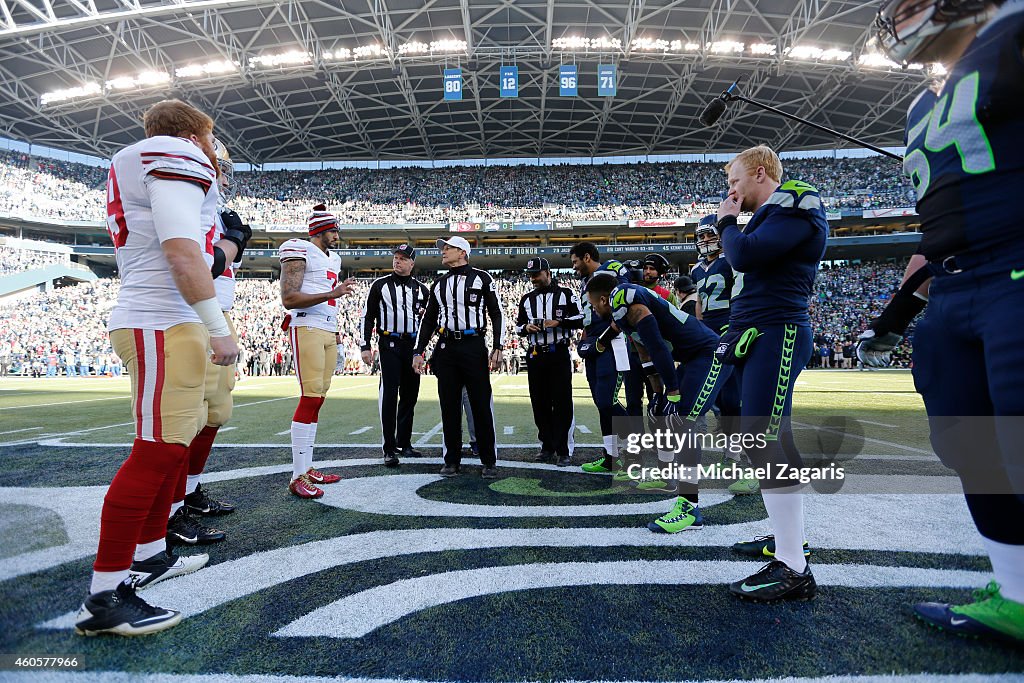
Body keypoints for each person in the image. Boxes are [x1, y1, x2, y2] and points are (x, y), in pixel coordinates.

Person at [857, 0, 1024, 643]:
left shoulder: (1013, 34)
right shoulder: (920, 106)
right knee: (968, 445)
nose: (897, 20)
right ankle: (1016, 591)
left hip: (1016, 268)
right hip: (955, 289)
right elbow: (937, 227)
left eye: (906, 6)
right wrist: (896, 314)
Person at [74, 99, 239, 637]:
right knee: (159, 448)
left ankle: (147, 553)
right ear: (198, 132)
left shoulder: (146, 158)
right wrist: (218, 324)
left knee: (175, 439)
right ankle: (104, 596)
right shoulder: (174, 151)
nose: (215, 152)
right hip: (160, 319)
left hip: (164, 317)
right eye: (212, 140)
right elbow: (181, 251)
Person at [715, 145, 827, 602]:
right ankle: (787, 543)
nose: (732, 191)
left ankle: (794, 566)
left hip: (778, 330)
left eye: (735, 182)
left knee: (765, 439)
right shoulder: (772, 214)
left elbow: (742, 256)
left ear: (760, 173)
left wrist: (725, 221)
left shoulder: (796, 198)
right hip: (760, 332)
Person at [159, 140, 251, 553]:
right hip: (190, 313)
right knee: (187, 417)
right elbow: (201, 260)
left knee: (216, 410)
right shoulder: (185, 201)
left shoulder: (211, 208)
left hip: (216, 311)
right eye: (220, 166)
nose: (224, 176)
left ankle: (189, 491)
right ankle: (170, 509)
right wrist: (233, 242)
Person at [586, 274, 731, 533]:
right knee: (665, 415)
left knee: (687, 420)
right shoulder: (621, 312)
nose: (594, 309)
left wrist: (673, 391)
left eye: (595, 304)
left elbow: (656, 345)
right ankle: (673, 484)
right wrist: (657, 394)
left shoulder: (627, 300)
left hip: (708, 354)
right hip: (691, 358)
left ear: (606, 299)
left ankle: (689, 507)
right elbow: (645, 353)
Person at [279, 203, 357, 499]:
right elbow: (289, 298)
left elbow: (329, 299)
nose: (338, 234)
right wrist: (332, 293)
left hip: (326, 328)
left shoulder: (333, 259)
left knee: (319, 399)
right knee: (309, 397)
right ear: (321, 230)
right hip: (306, 326)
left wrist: (336, 331)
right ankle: (297, 475)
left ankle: (307, 466)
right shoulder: (298, 248)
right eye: (334, 229)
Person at [413, 236, 505, 479]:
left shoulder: (483, 278)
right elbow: (429, 320)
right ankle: (452, 459)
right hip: (446, 348)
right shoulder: (439, 284)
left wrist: (498, 345)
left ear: (462, 252)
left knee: (481, 405)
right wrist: (418, 350)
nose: (443, 251)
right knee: (449, 406)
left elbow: (496, 312)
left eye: (448, 248)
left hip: (474, 344)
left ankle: (489, 460)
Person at [568, 243, 654, 486]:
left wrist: (607, 336)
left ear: (587, 257)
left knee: (608, 400)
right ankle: (610, 457)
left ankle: (634, 457)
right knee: (601, 404)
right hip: (594, 347)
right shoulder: (587, 282)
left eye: (576, 261)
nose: (574, 267)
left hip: (611, 345)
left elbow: (629, 304)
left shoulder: (612, 270)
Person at [691, 214, 754, 495]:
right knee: (713, 397)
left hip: (730, 329)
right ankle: (729, 456)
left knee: (733, 399)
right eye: (701, 235)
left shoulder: (732, 260)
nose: (705, 240)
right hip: (709, 336)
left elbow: (741, 295)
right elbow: (700, 307)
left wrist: (735, 327)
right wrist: (699, 328)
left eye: (710, 234)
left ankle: (736, 458)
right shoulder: (696, 270)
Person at [360, 243, 430, 467]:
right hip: (389, 343)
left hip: (413, 346)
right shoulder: (379, 286)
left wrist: (422, 348)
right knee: (390, 395)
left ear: (412, 263)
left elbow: (428, 322)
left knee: (410, 395)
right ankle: (389, 448)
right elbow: (368, 316)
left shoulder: (422, 290)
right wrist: (365, 345)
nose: (397, 261)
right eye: (395, 257)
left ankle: (405, 443)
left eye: (402, 258)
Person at [516, 257, 583, 467]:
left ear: (548, 272)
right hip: (536, 354)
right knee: (539, 402)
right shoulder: (526, 299)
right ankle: (546, 446)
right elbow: (518, 326)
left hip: (558, 353)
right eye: (530, 275)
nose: (533, 278)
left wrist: (559, 322)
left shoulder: (566, 294)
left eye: (536, 274)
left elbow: (581, 318)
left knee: (562, 402)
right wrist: (526, 328)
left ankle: (563, 449)